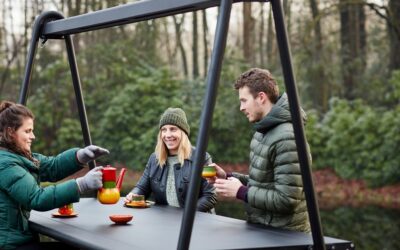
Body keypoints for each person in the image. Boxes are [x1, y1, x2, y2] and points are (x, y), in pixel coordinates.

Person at [0, 100, 109, 249]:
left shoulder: (18, 156)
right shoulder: (5, 164)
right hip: (10, 245)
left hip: (19, 239)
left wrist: (80, 155)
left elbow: (52, 166)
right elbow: (37, 198)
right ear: (11, 132)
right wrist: (81, 184)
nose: (33, 136)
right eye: (27, 131)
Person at [212, 68, 311, 232]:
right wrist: (228, 177)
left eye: (244, 100)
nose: (241, 107)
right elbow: (264, 183)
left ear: (261, 97)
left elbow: (286, 200)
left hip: (286, 239)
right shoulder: (263, 132)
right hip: (264, 231)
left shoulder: (288, 137)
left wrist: (240, 192)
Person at [124, 108, 217, 212]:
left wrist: (187, 215)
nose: (168, 135)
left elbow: (210, 197)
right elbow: (142, 188)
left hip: (196, 223)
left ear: (183, 132)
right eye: (164, 130)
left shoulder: (202, 157)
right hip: (165, 222)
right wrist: (133, 194)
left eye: (173, 129)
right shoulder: (154, 159)